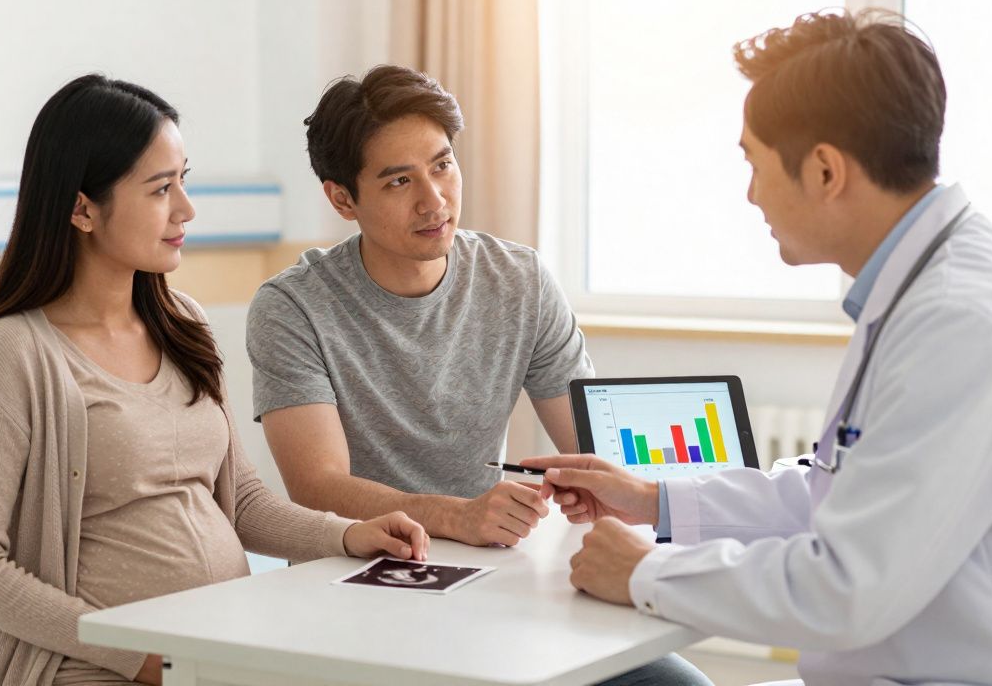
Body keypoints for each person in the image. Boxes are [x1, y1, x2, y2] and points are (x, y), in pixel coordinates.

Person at [526, 9, 992, 685]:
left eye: (754, 164)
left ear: (825, 171)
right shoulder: (930, 285)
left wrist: (645, 570)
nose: (751, 194)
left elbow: (848, 585)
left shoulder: (962, 320)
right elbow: (843, 490)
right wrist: (657, 499)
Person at [0, 75, 428, 686]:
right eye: (161, 188)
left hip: (213, 652)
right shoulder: (12, 355)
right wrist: (139, 658)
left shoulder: (181, 323)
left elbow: (242, 503)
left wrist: (350, 536)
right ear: (83, 207)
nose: (186, 209)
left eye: (183, 180)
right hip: (92, 669)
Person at [247, 65, 710, 685]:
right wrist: (460, 515)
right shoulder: (293, 306)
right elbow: (316, 485)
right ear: (341, 198)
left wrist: (608, 486)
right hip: (357, 586)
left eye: (442, 165)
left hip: (493, 578)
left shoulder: (517, 279)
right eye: (398, 180)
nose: (433, 199)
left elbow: (589, 442)